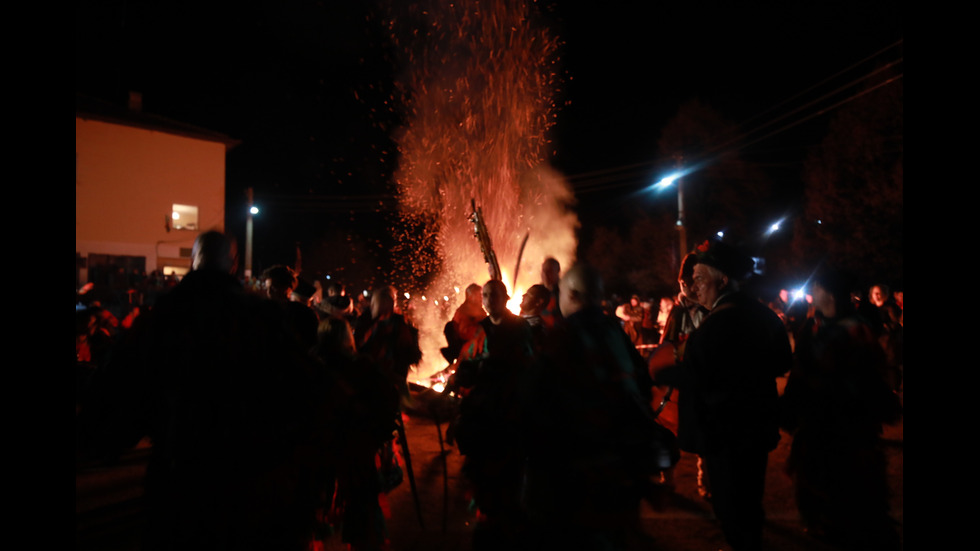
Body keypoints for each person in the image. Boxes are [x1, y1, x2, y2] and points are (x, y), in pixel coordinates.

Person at [77, 231, 329, 550]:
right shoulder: (262, 321)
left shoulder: (159, 321)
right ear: (234, 266)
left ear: (191, 263)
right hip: (250, 497)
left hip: (180, 495)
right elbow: (308, 398)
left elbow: (107, 414)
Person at [653, 240, 791, 550]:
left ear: (723, 280)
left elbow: (697, 376)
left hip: (724, 434)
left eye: (700, 278)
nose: (695, 286)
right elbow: (783, 362)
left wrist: (661, 373)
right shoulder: (764, 316)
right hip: (756, 430)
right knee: (750, 502)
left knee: (731, 508)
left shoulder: (718, 324)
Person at [525, 264, 674, 551]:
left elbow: (535, 395)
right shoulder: (616, 334)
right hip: (623, 465)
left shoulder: (565, 337)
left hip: (580, 469)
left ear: (572, 294)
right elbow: (642, 386)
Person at [780, 268, 901, 550]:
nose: (812, 295)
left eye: (818, 289)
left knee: (848, 509)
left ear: (830, 294)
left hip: (842, 436)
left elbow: (869, 383)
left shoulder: (853, 332)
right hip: (825, 432)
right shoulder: (817, 329)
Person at [454, 279, 534, 551]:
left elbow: (526, 365)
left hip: (511, 413)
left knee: (510, 476)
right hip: (485, 414)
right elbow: (470, 361)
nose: (487, 300)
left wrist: (496, 368)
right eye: (485, 295)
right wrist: (468, 371)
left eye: (493, 295)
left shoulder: (519, 327)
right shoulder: (481, 329)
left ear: (505, 297)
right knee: (484, 475)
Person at [357, 285, 422, 403]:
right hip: (393, 373)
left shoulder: (374, 323)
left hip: (378, 374)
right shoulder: (400, 323)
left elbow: (364, 348)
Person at [538, 257, 562, 330]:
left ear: (557, 272)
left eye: (549, 271)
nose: (545, 274)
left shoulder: (564, 292)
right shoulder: (536, 292)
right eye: (544, 271)